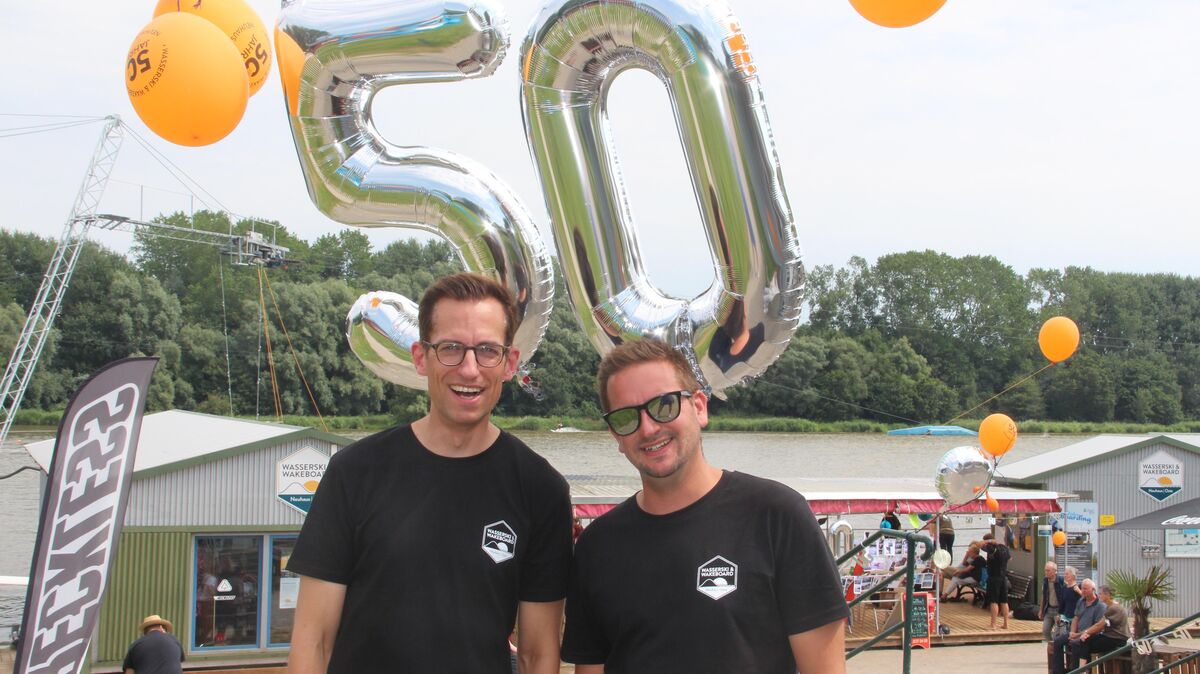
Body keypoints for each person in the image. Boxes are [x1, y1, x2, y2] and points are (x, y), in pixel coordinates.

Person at [286, 273, 572, 674]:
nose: (470, 369)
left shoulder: (541, 489)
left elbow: (538, 655)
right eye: (451, 348)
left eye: (487, 350)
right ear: (421, 357)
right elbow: (313, 643)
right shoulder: (355, 472)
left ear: (509, 363)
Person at [561, 339, 849, 673]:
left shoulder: (778, 516)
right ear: (615, 436)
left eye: (664, 405)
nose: (649, 427)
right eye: (627, 418)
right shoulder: (597, 546)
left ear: (699, 407)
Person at [1052, 578, 1106, 674]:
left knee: (1076, 643)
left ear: (1093, 590)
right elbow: (1076, 618)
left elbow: (1097, 627)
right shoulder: (1081, 601)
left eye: (1085, 589)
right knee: (1057, 641)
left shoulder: (1100, 606)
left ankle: (1075, 671)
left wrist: (1077, 635)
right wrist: (1073, 632)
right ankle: (1058, 671)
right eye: (1082, 588)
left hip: (1089, 635)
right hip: (1077, 632)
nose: (1083, 591)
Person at [1070, 585, 1131, 666]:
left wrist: (1086, 632)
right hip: (1110, 636)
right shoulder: (1110, 606)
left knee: (1084, 642)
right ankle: (1084, 669)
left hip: (1117, 639)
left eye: (1101, 594)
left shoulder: (1114, 608)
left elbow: (1099, 625)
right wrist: (1087, 634)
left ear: (1108, 595)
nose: (1099, 595)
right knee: (1085, 642)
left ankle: (1082, 669)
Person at [982, 538, 1011, 629]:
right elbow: (1010, 558)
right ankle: (1006, 623)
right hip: (1003, 577)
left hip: (994, 577)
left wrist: (988, 541)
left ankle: (993, 624)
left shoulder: (992, 549)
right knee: (1004, 601)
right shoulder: (1005, 549)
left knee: (993, 601)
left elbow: (980, 545)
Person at [1039, 561, 1066, 646]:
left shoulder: (1061, 580)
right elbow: (1043, 596)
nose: (1046, 572)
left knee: (1058, 633)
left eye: (1048, 571)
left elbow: (1065, 596)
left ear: (1054, 571)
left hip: (1059, 610)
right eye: (1045, 570)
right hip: (1049, 609)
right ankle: (1053, 647)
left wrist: (1062, 612)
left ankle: (1056, 649)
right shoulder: (1045, 581)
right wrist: (1041, 610)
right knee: (1045, 631)